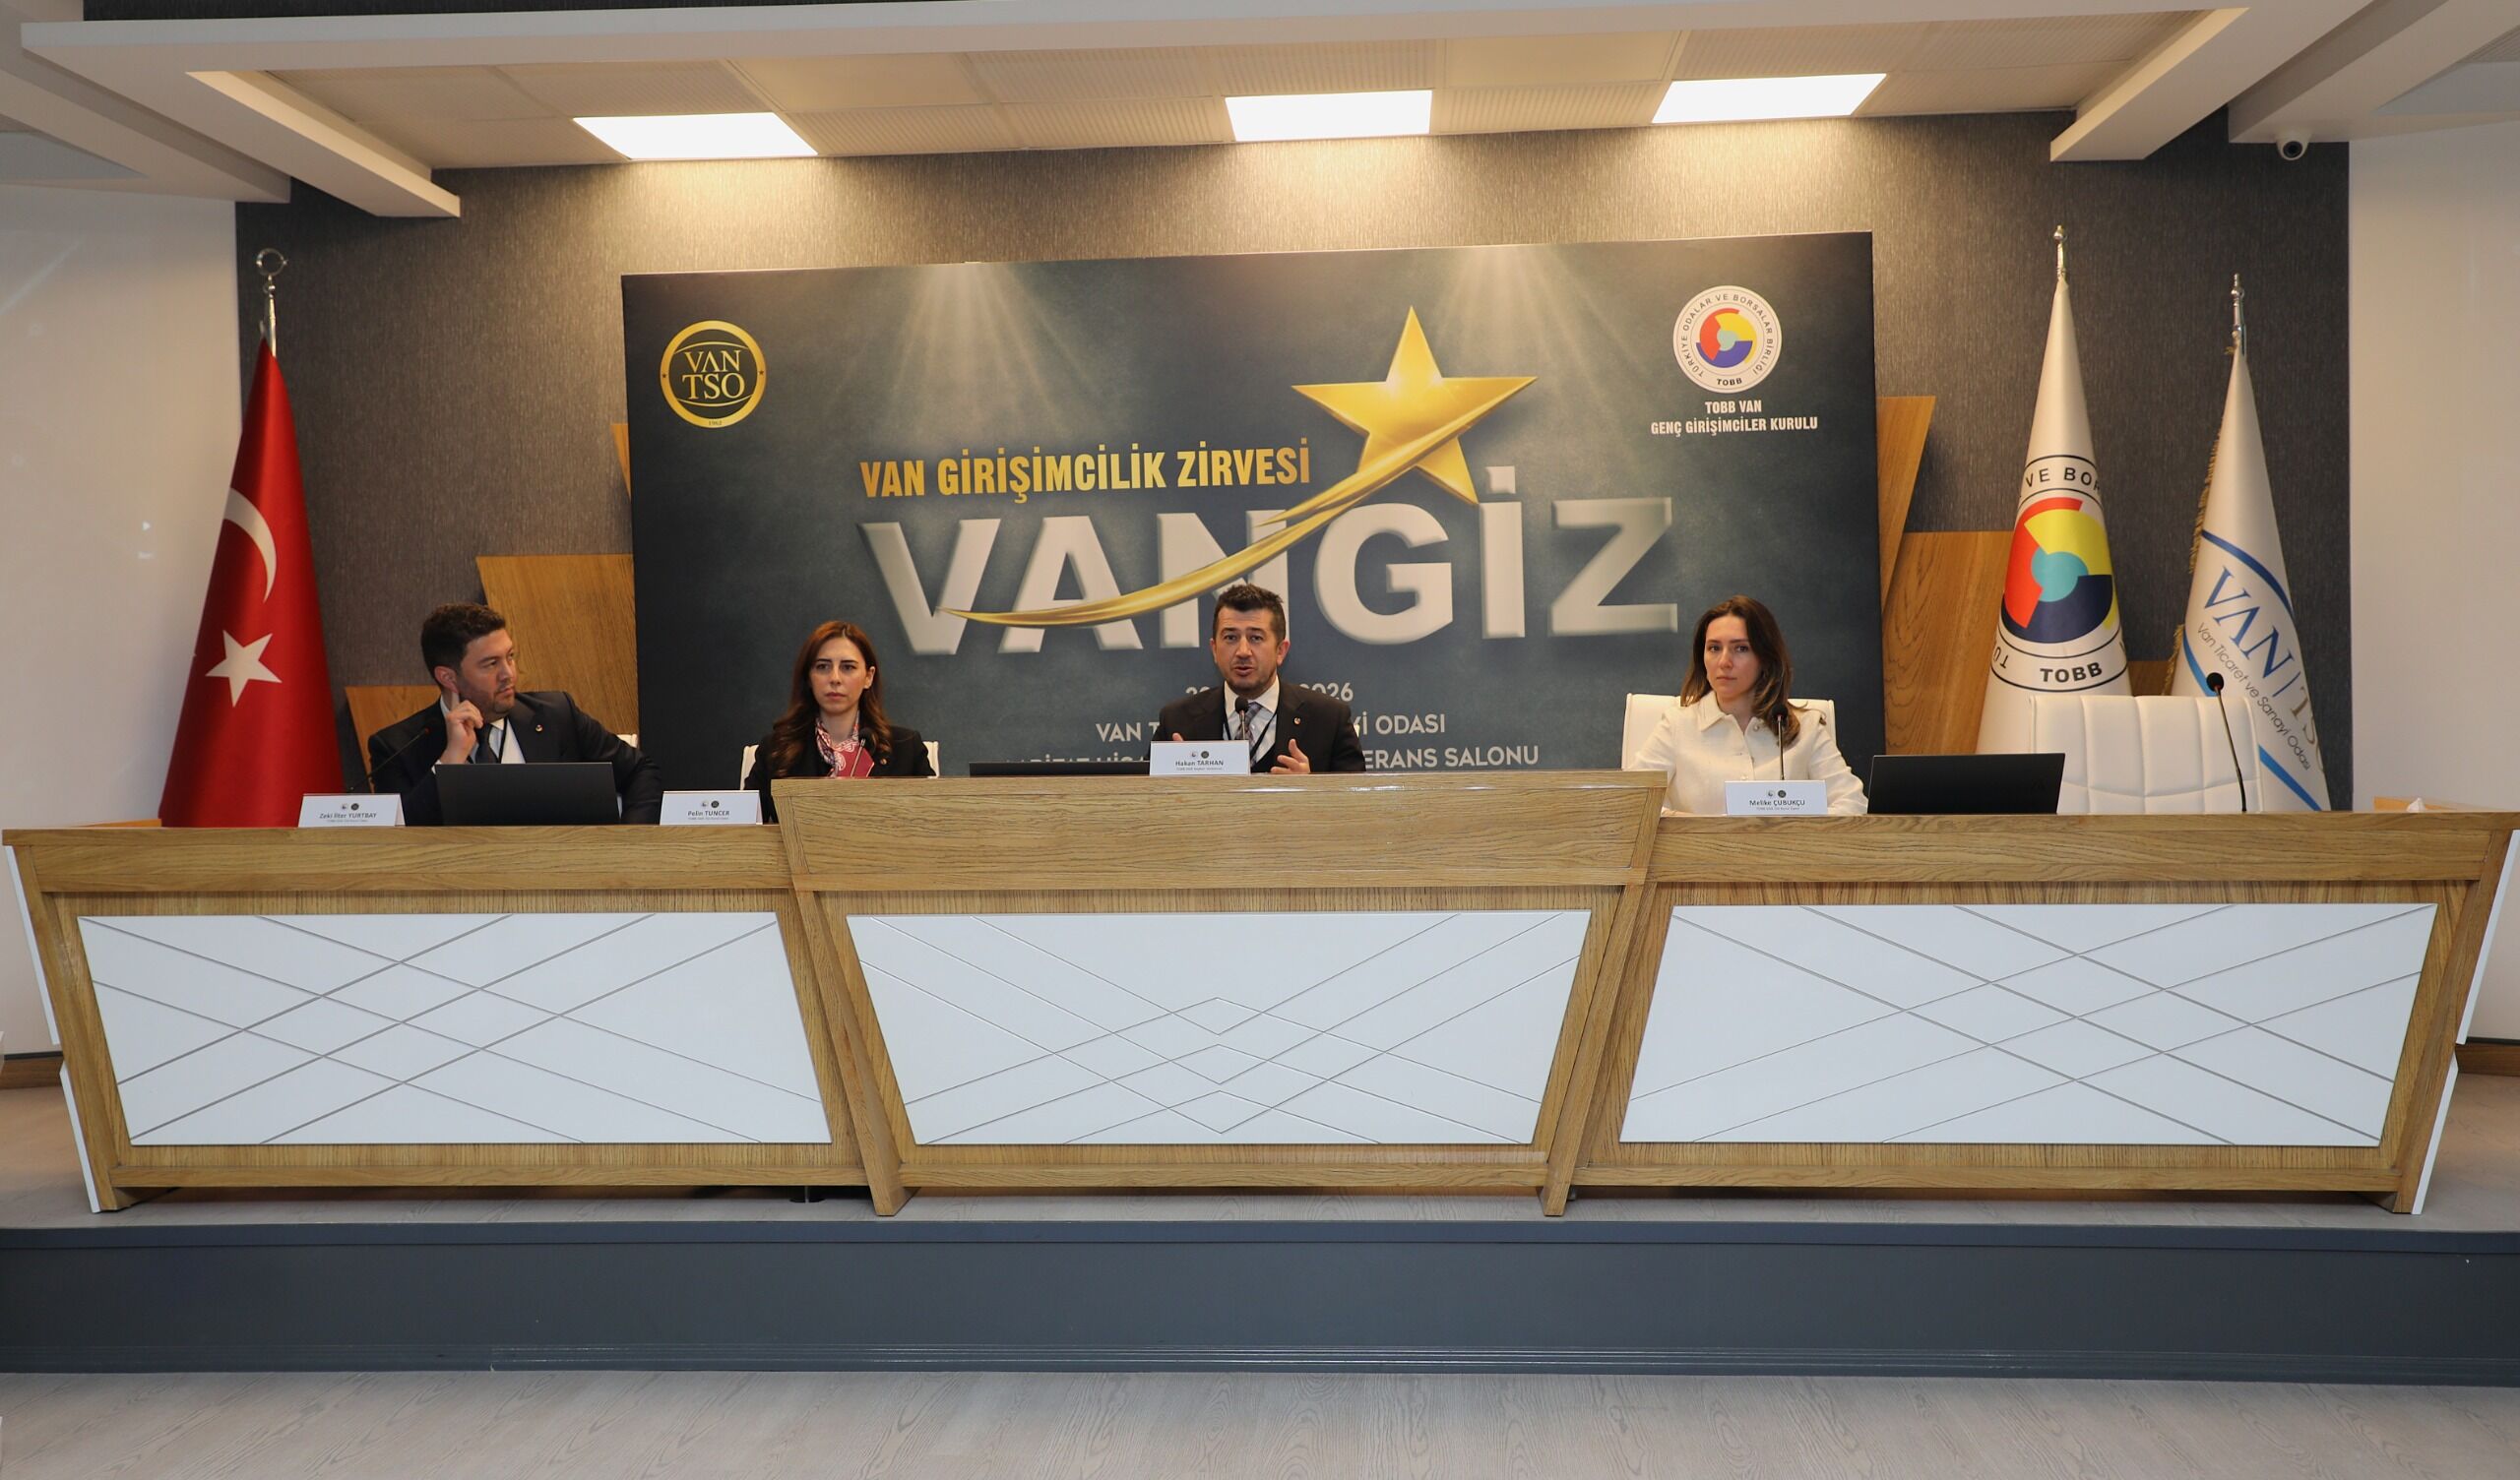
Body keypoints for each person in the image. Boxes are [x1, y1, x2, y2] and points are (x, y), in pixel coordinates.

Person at [367, 602, 662, 825]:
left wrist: (628, 846)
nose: (509, 674)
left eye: (510, 656)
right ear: (448, 677)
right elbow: (396, 837)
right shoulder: (397, 747)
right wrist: (450, 759)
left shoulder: (556, 715)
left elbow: (640, 771)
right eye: (491, 664)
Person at [1627, 594, 1865, 815]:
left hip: (1784, 848)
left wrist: (1792, 829)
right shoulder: (1677, 725)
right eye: (1714, 648)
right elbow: (1629, 803)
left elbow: (1854, 804)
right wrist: (1694, 828)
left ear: (1765, 657)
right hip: (1701, 848)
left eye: (1741, 648)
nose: (1724, 662)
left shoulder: (1806, 727)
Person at [1159, 582, 1365, 773]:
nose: (1243, 651)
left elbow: (1359, 799)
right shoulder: (1177, 721)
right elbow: (1147, 794)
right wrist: (1175, 785)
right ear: (1214, 649)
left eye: (1256, 638)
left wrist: (1310, 791)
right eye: (1230, 637)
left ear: (1280, 651)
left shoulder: (1329, 720)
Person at [745, 620, 932, 821]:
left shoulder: (906, 748)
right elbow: (744, 828)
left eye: (848, 667)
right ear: (809, 677)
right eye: (822, 667)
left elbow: (933, 823)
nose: (834, 678)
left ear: (868, 677)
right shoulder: (776, 750)